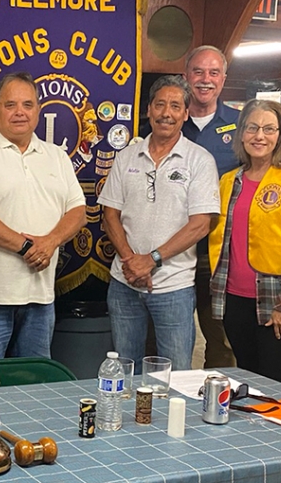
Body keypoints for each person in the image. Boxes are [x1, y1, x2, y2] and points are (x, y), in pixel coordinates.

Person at [0, 72, 86, 366]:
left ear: (38, 111)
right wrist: (27, 247)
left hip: (39, 298)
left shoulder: (56, 156)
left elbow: (78, 211)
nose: (19, 112)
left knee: (35, 390)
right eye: (10, 105)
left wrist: (50, 243)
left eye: (27, 104)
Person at [99, 74, 219, 370]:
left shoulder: (199, 160)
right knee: (124, 369)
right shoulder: (127, 156)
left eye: (176, 106)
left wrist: (151, 260)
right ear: (149, 109)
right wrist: (131, 262)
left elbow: (201, 224)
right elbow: (110, 214)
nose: (167, 113)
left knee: (175, 374)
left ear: (186, 113)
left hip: (174, 288)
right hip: (124, 282)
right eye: (160, 105)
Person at [208, 100, 281, 382]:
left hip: (274, 301)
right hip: (234, 299)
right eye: (253, 127)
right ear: (241, 133)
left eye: (269, 129)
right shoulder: (230, 180)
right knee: (244, 378)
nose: (260, 136)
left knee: (271, 384)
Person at [182, 45, 241, 369]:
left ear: (223, 79)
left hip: (219, 250)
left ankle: (218, 404)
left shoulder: (241, 124)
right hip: (173, 246)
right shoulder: (167, 120)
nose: (206, 80)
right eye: (198, 72)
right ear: (185, 76)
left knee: (220, 336)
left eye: (213, 72)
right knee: (169, 333)